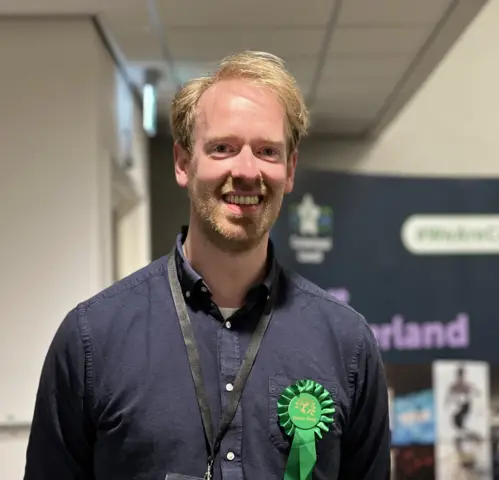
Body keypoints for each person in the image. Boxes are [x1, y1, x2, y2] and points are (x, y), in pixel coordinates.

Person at [24, 51, 390, 479]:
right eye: (223, 148)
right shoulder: (91, 339)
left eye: (268, 151)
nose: (247, 170)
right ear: (183, 163)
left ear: (289, 170)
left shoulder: (347, 344)